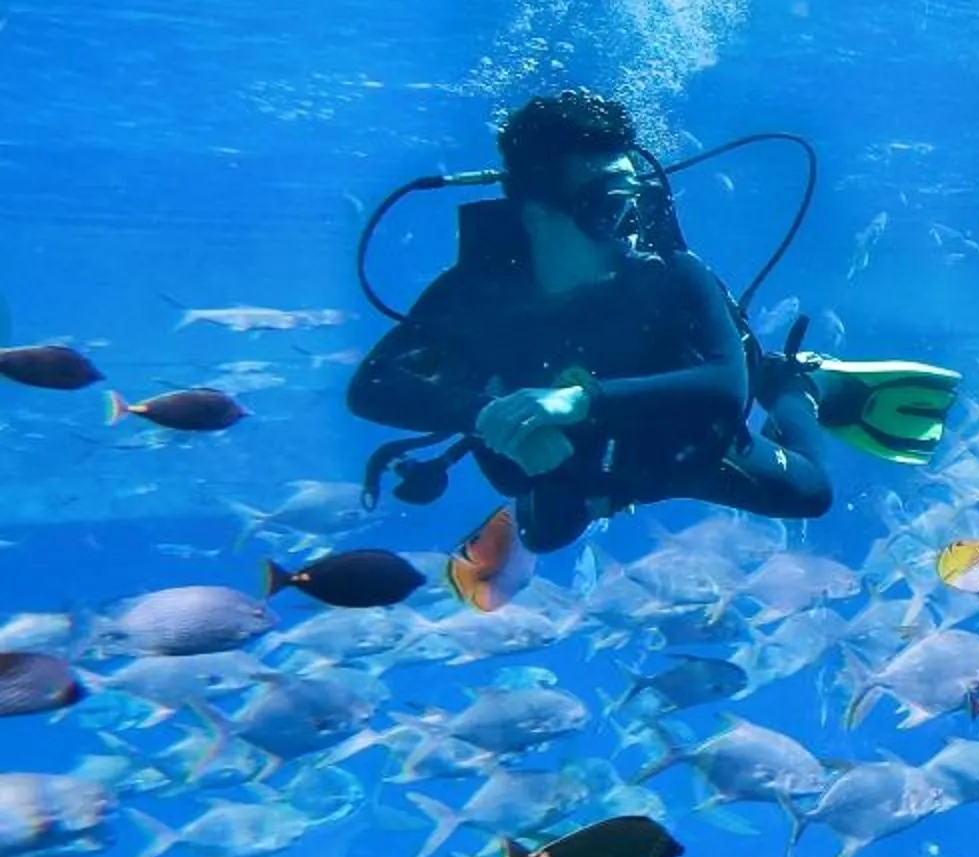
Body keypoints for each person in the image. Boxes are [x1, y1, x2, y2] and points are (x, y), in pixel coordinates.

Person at [348, 90, 905, 552]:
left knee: (810, 495)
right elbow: (371, 388)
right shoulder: (478, 292)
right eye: (607, 206)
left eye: (633, 200)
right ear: (539, 216)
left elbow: (722, 385)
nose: (631, 227)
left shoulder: (670, 273)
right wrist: (491, 414)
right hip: (571, 463)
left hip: (670, 445)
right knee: (542, 537)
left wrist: (578, 401)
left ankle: (794, 384)